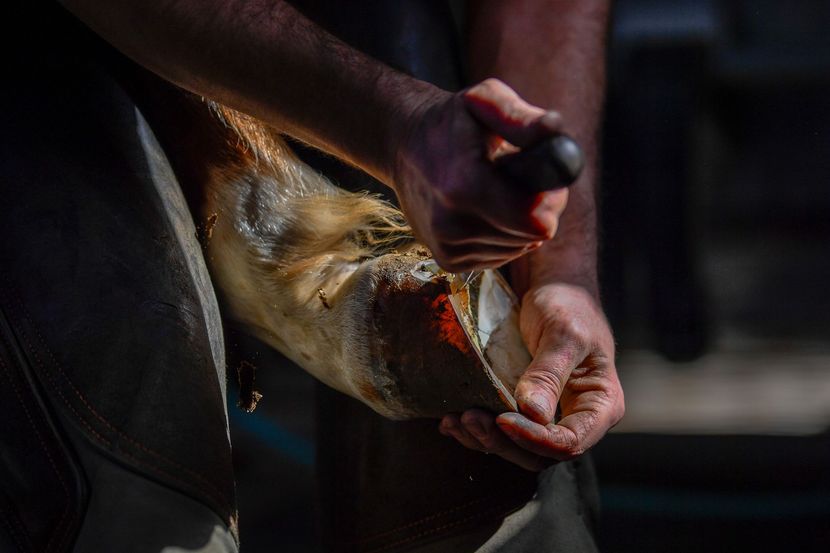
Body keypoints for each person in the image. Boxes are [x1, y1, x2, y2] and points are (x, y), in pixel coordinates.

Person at [0, 1, 622, 551]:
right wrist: (391, 123)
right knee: (141, 451)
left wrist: (558, 267)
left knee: (486, 476)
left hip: (366, 33)